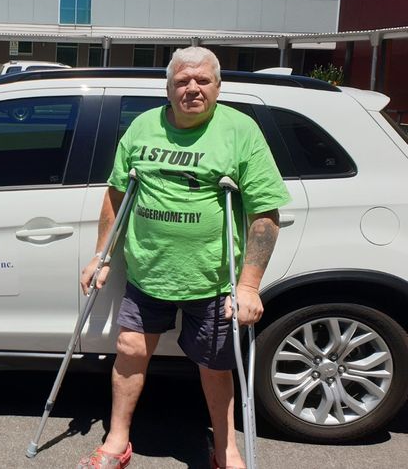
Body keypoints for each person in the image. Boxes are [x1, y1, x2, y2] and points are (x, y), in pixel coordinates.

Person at [77, 46, 290, 469]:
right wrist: (101, 255)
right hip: (147, 271)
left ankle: (226, 449)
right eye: (182, 81)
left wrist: (248, 285)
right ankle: (117, 441)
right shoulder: (142, 126)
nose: (192, 89)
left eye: (202, 81)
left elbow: (265, 212)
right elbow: (117, 194)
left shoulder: (240, 131)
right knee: (129, 349)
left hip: (211, 279)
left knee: (214, 365)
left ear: (217, 86)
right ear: (169, 87)